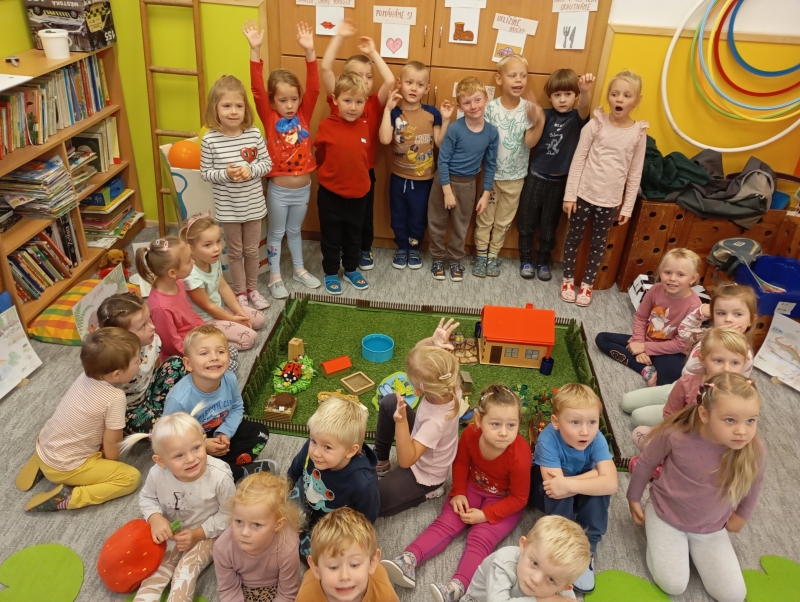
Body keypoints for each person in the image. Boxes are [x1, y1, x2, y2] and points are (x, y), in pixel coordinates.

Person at [382, 385, 531, 602]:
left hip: (504, 501)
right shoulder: (470, 434)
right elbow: (460, 462)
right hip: (472, 488)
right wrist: (459, 491)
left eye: (511, 425)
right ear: (478, 420)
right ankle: (408, 559)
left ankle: (457, 588)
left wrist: (485, 515)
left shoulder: (520, 455)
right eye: (495, 424)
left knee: (480, 538)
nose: (503, 432)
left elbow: (519, 499)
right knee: (447, 522)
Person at [627, 372, 765, 602]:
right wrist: (633, 497)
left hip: (711, 527)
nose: (742, 431)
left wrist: (742, 515)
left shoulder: (754, 448)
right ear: (704, 414)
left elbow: (754, 483)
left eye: (751, 420)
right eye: (730, 420)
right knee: (673, 585)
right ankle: (659, 537)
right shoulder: (676, 435)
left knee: (733, 596)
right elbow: (646, 463)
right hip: (666, 515)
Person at [16, 328, 142, 511]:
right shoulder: (115, 398)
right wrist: (111, 467)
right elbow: (112, 441)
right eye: (137, 360)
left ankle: (40, 463)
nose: (141, 362)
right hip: (65, 467)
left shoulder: (85, 376)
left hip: (44, 446)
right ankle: (70, 498)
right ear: (116, 374)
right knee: (131, 478)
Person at [120, 412, 236, 602]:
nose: (190, 459)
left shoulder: (220, 476)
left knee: (185, 572)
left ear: (204, 441)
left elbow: (229, 515)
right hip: (172, 531)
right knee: (156, 572)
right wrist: (155, 518)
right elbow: (147, 497)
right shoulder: (157, 474)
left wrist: (197, 534)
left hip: (208, 534)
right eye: (179, 455)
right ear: (161, 461)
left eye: (196, 448)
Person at [244, 20, 322, 299]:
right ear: (272, 101)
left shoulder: (303, 114)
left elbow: (314, 88)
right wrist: (255, 50)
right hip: (279, 191)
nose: (289, 105)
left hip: (303, 189)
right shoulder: (269, 117)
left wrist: (310, 52)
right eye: (283, 100)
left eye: (293, 99)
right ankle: (275, 276)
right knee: (277, 233)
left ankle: (299, 269)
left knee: (295, 230)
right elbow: (256, 89)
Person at [560, 69, 648, 307]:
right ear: (608, 96)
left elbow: (635, 173)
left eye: (627, 95)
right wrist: (570, 195)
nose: (620, 99)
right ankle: (567, 279)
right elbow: (578, 160)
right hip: (583, 195)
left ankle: (587, 284)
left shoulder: (638, 133)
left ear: (637, 100)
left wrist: (627, 207)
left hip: (610, 201)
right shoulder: (596, 124)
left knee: (598, 244)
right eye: (615, 94)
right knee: (573, 238)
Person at [621, 284, 757, 424]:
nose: (728, 319)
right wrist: (701, 311)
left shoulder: (744, 354)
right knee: (626, 402)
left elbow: (738, 388)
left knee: (637, 417)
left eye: (738, 314)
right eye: (721, 313)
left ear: (751, 320)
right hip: (680, 385)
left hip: (696, 402)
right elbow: (684, 331)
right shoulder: (707, 334)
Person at [320, 18, 394, 271]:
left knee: (363, 218)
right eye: (357, 75)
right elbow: (326, 68)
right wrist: (339, 36)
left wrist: (373, 53)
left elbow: (390, 82)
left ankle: (364, 250)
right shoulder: (340, 102)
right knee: (338, 218)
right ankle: (340, 251)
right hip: (337, 175)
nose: (364, 80)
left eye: (369, 76)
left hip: (365, 173)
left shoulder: (371, 103)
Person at [529, 384, 618, 594]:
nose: (585, 431)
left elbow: (612, 484)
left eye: (592, 422)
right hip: (546, 494)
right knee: (582, 480)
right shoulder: (547, 440)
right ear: (556, 422)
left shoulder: (596, 438)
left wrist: (570, 484)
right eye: (575, 422)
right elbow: (555, 489)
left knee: (599, 489)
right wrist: (595, 476)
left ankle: (587, 548)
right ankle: (561, 543)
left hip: (569, 488)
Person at [374, 319, 463, 517]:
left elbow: (406, 461)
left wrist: (401, 423)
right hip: (424, 440)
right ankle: (381, 461)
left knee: (374, 500)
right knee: (389, 402)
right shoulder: (450, 380)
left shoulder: (435, 422)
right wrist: (432, 341)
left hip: (424, 475)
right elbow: (418, 356)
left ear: (418, 390)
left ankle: (429, 493)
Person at [163, 325, 272, 481]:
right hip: (191, 442)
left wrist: (225, 433)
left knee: (260, 432)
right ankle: (231, 471)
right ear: (188, 364)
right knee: (182, 462)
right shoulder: (179, 400)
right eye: (204, 353)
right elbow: (169, 437)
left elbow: (237, 408)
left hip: (221, 428)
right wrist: (203, 445)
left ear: (229, 356)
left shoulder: (230, 379)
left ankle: (220, 470)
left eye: (220, 351)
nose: (214, 357)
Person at [200, 74, 272, 310]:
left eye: (239, 106)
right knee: (235, 252)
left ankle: (253, 289)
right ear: (215, 108)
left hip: (253, 207)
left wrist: (250, 170)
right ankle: (240, 292)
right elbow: (206, 173)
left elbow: (266, 165)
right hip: (228, 209)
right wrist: (226, 174)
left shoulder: (253, 134)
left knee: (251, 251)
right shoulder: (210, 140)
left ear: (245, 108)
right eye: (227, 106)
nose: (233, 111)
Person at [517, 69, 593, 281]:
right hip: (536, 177)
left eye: (568, 94)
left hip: (560, 183)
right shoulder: (545, 115)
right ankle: (525, 259)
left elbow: (584, 106)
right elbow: (529, 141)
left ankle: (543, 261)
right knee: (526, 223)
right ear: (550, 97)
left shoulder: (577, 118)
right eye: (557, 95)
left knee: (549, 228)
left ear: (574, 96)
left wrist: (585, 91)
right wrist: (537, 119)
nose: (562, 99)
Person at [379, 61, 452, 270]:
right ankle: (402, 247)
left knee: (418, 217)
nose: (414, 88)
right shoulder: (394, 113)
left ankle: (413, 248)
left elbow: (439, 143)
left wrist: (446, 121)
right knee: (398, 215)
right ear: (400, 83)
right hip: (399, 177)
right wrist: (387, 109)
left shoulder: (432, 113)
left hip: (423, 180)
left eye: (420, 85)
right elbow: (384, 139)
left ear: (427, 89)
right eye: (409, 83)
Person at [595, 248, 703, 386]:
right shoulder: (656, 289)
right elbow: (641, 317)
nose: (672, 278)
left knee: (668, 382)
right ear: (660, 272)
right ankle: (646, 370)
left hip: (671, 350)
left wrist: (645, 348)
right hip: (647, 339)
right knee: (602, 338)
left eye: (680, 274)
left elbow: (680, 344)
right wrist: (638, 343)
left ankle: (648, 363)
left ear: (692, 278)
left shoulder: (695, 306)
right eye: (667, 272)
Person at [288, 396, 379, 558]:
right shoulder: (311, 449)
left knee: (322, 556)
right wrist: (286, 487)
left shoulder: (363, 482)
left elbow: (367, 517)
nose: (316, 452)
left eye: (327, 447)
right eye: (313, 441)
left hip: (333, 519)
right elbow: (295, 470)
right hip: (305, 494)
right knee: (276, 521)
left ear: (350, 451)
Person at [628, 327, 749, 448]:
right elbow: (670, 414)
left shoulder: (743, 395)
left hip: (704, 443)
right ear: (702, 360)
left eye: (735, 363)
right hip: (680, 424)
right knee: (630, 408)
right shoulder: (687, 383)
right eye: (718, 360)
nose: (726, 369)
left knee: (638, 419)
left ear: (743, 363)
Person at [428, 77, 498, 282]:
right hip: (443, 182)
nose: (473, 106)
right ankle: (437, 259)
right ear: (460, 106)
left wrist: (485, 194)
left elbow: (490, 165)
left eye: (477, 100)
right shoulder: (455, 129)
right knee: (437, 222)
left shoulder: (491, 132)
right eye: (467, 102)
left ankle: (456, 260)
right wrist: (447, 192)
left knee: (461, 226)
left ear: (486, 100)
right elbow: (442, 160)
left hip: (468, 185)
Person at [135, 236, 239, 372]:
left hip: (195, 339)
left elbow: (189, 312)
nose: (193, 262)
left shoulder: (178, 283)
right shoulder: (160, 307)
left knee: (231, 352)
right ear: (172, 272)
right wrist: (198, 354)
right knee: (230, 366)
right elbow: (171, 344)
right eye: (189, 260)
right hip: (182, 356)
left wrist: (205, 333)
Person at [473, 54, 536, 278]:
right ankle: (481, 256)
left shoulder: (529, 109)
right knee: (484, 219)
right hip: (489, 178)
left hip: (515, 178)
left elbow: (530, 142)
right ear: (499, 79)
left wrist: (539, 120)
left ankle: (493, 256)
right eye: (513, 75)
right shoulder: (489, 108)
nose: (518, 80)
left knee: (503, 221)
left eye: (523, 76)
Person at [314, 73, 372, 295]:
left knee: (354, 235)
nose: (353, 107)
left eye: (359, 102)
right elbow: (321, 155)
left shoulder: (364, 126)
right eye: (347, 100)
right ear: (335, 99)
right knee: (331, 236)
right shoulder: (326, 125)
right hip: (331, 194)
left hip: (359, 195)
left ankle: (350, 269)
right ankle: (330, 271)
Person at [96, 293, 186, 434]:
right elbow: (105, 399)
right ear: (122, 336)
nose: (152, 327)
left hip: (149, 390)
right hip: (131, 408)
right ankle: (163, 418)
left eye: (149, 318)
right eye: (143, 326)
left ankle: (161, 411)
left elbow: (155, 365)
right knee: (160, 430)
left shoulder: (152, 340)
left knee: (177, 362)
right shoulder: (112, 361)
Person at [214, 471, 302, 602]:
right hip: (241, 588)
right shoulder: (222, 547)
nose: (244, 532)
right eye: (239, 521)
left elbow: (288, 594)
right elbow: (228, 590)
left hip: (278, 587)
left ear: (278, 524)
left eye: (256, 525)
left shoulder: (288, 547)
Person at [181, 213, 264, 350]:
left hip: (220, 309)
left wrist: (239, 312)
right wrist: (232, 319)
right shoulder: (191, 276)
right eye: (208, 245)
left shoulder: (212, 260)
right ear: (191, 248)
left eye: (218, 241)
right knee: (249, 339)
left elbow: (223, 287)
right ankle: (205, 342)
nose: (216, 248)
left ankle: (226, 330)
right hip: (206, 320)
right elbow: (208, 307)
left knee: (259, 319)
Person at [462, 515, 591, 602]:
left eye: (551, 579)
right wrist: (540, 600)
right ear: (524, 545)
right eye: (535, 563)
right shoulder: (503, 562)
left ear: (564, 587)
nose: (536, 579)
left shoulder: (562, 585)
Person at [297, 507, 400, 602]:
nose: (344, 576)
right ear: (316, 568)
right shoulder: (306, 596)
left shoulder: (384, 593)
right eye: (333, 567)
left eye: (354, 565)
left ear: (372, 563)